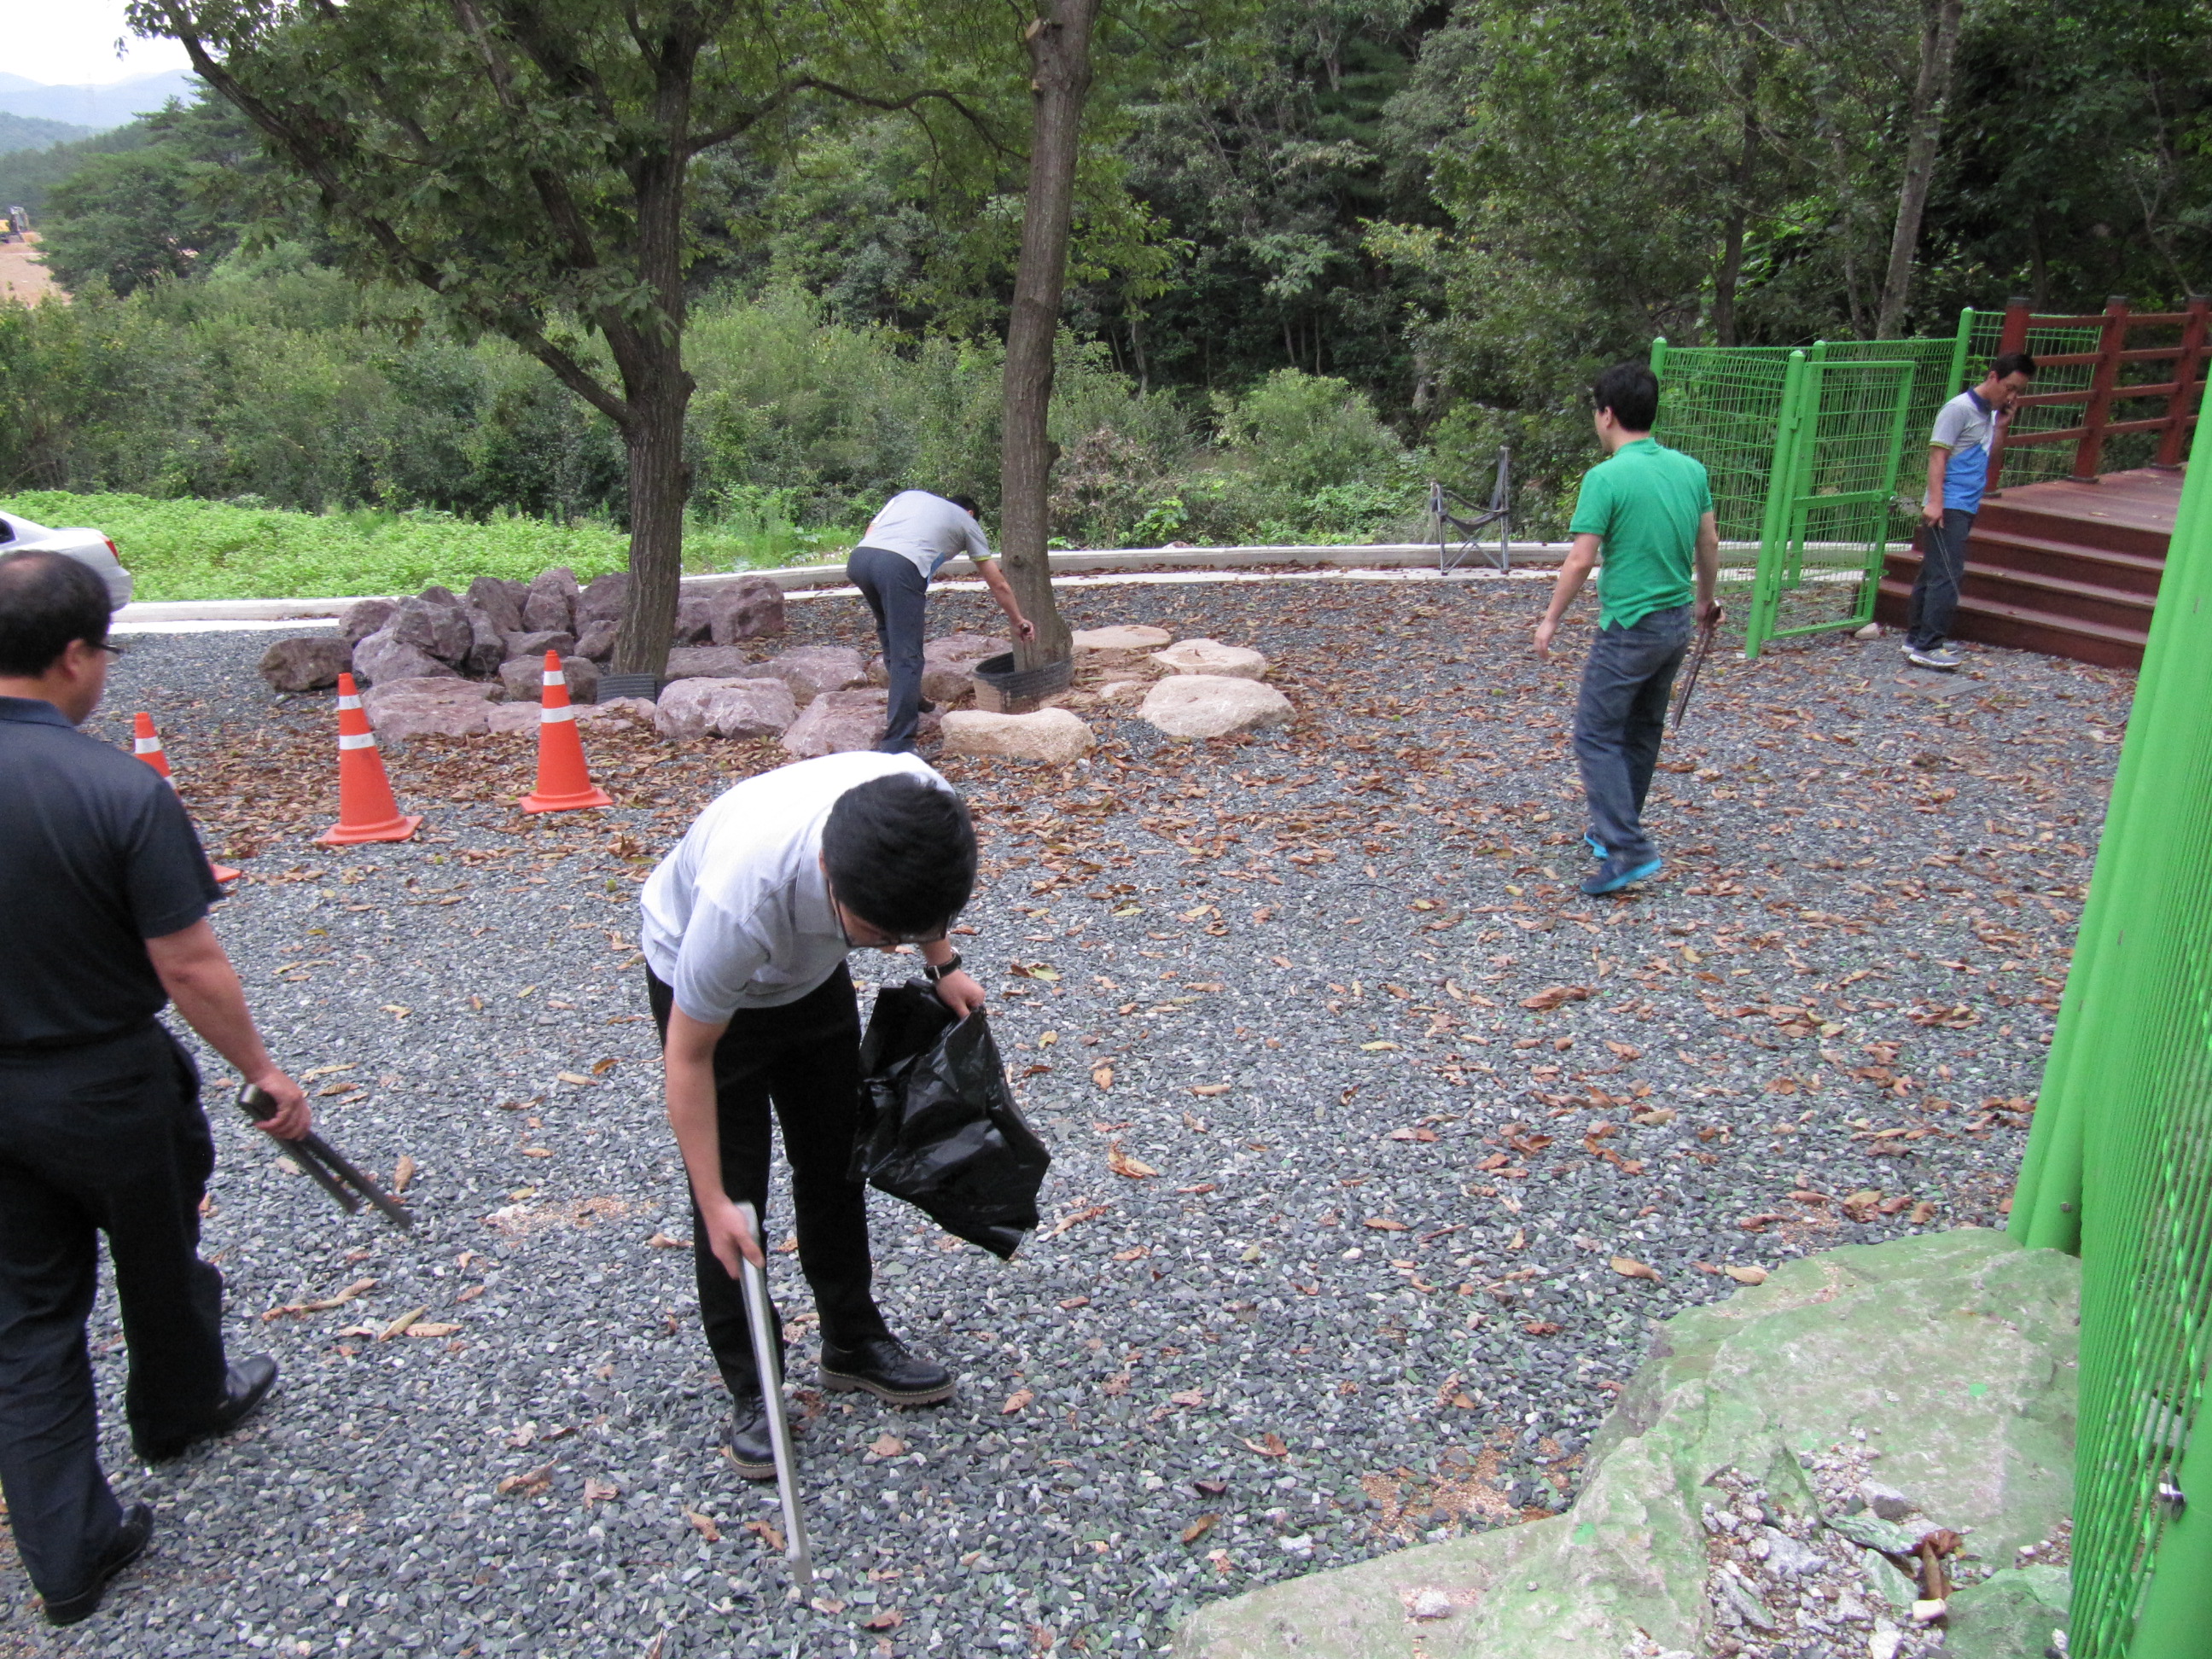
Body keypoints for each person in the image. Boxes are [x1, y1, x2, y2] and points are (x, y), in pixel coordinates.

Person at [0, 551, 309, 1626]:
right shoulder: (117, 789)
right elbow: (187, 965)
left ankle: (67, 1550)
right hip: (102, 1077)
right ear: (75, 656)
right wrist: (262, 1073)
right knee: (156, 1250)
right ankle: (180, 1407)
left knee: (29, 1310)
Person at [642, 750, 988, 1477]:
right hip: (712, 999)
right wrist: (711, 1202)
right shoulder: (742, 902)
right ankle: (755, 1385)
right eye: (876, 932)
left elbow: (917, 894)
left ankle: (851, 1339)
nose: (886, 946)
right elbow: (689, 1058)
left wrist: (942, 963)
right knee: (737, 1202)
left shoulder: (922, 802)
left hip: (808, 974)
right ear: (831, 870)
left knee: (836, 1159)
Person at [1534, 361, 1722, 898]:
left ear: (1607, 414)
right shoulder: (1690, 470)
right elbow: (1708, 544)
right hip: (1675, 623)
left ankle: (1627, 846)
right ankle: (1613, 830)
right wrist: (1707, 599)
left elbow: (1579, 560)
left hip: (1629, 626)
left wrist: (1550, 621)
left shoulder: (1607, 476)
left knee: (1594, 734)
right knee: (1641, 729)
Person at [846, 491, 1035, 754]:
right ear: (971, 513)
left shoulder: (908, 497)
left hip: (860, 559)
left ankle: (911, 699)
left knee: (890, 633)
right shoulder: (967, 521)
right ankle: (898, 745)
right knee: (908, 656)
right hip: (900, 567)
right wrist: (1017, 619)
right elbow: (998, 582)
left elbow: (871, 530)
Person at [1906, 351, 2037, 672]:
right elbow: (1937, 456)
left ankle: (1916, 638)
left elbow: (1989, 458)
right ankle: (1929, 645)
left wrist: (2002, 426)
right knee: (1948, 574)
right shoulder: (1958, 409)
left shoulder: (1990, 415)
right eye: (2009, 387)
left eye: (2018, 390)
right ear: (1992, 377)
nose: (2011, 395)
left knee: (1934, 571)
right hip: (1949, 502)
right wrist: (1935, 502)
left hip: (1967, 500)